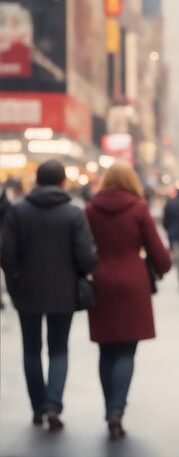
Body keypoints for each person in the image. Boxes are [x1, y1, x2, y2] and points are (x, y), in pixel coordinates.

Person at [0, 160, 97, 431]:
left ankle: (37, 407)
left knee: (31, 350)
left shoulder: (18, 212)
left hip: (26, 291)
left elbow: (6, 256)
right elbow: (87, 259)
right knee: (58, 349)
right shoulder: (74, 214)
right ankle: (54, 405)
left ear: (37, 182)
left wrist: (14, 283)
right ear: (63, 182)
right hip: (63, 292)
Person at [85, 161, 171, 440]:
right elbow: (159, 252)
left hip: (101, 281)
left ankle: (109, 406)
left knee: (106, 350)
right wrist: (160, 268)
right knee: (125, 352)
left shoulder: (90, 209)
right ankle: (117, 411)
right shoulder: (138, 208)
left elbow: (83, 248)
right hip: (133, 283)